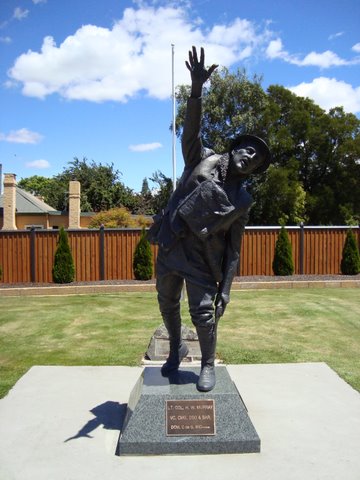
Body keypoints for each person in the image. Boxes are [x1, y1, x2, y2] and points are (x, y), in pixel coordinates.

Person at [148, 46, 271, 392]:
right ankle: (176, 347)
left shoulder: (242, 201)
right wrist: (197, 90)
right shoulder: (200, 159)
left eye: (257, 159)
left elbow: (234, 250)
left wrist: (227, 290)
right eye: (248, 149)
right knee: (166, 301)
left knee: (203, 313)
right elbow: (191, 130)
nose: (251, 157)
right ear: (235, 148)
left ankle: (207, 364)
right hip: (172, 243)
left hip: (203, 259)